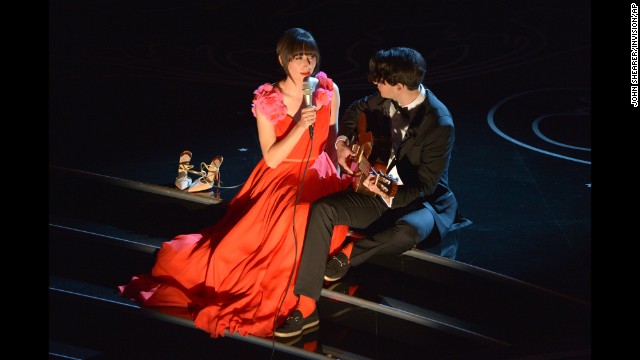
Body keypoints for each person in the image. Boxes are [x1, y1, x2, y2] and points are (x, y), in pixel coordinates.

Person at [117, 28, 351, 338]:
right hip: (282, 175)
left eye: (311, 56)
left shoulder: (327, 90)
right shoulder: (269, 98)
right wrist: (299, 127)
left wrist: (338, 168)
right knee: (289, 221)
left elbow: (331, 137)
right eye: (298, 58)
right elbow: (271, 157)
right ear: (283, 60)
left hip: (319, 172)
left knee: (332, 212)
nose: (306, 63)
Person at [274, 47, 472, 337]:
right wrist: (342, 141)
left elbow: (425, 186)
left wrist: (387, 191)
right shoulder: (382, 98)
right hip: (377, 186)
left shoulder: (440, 124)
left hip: (420, 201)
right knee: (323, 209)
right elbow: (355, 110)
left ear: (399, 86)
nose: (374, 84)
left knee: (408, 230)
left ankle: (349, 255)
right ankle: (305, 307)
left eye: (380, 80)